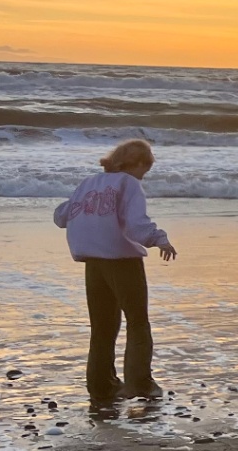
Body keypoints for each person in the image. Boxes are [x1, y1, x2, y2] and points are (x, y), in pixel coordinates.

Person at [53, 138, 178, 411]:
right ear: (138, 164)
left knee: (102, 328)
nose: (144, 176)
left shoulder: (88, 183)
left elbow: (62, 216)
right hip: (121, 260)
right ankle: (140, 383)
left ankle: (101, 386)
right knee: (137, 322)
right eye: (145, 170)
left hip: (92, 261)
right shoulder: (128, 184)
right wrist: (159, 239)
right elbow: (136, 225)